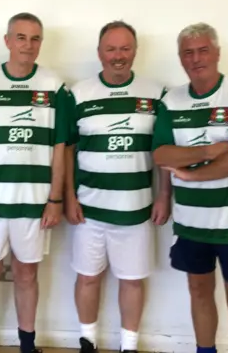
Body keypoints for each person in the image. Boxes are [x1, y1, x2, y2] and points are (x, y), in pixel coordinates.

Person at [0, 12, 69, 353]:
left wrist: (55, 199)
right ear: (7, 41)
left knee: (26, 276)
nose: (28, 45)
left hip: (34, 204)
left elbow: (60, 147)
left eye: (35, 38)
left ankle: (27, 344)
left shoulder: (55, 87)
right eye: (21, 37)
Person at [64, 21, 172, 353]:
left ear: (135, 51)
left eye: (125, 48)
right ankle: (87, 342)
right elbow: (67, 148)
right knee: (87, 277)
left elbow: (164, 149)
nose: (118, 56)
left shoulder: (157, 93)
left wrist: (164, 194)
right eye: (111, 49)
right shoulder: (78, 93)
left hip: (137, 209)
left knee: (132, 280)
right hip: (89, 209)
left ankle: (129, 346)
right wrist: (68, 196)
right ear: (100, 53)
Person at [152, 23, 228, 353]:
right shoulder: (171, 101)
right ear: (181, 58)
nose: (196, 58)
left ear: (216, 53)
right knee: (199, 293)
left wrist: (191, 175)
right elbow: (161, 153)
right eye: (188, 52)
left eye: (202, 50)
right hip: (190, 223)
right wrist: (208, 151)